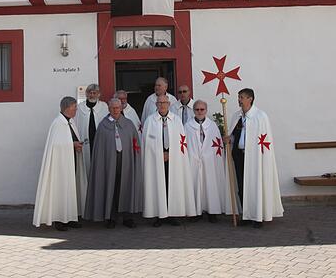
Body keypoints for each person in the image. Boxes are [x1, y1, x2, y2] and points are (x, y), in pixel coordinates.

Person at [224, 88, 284, 228]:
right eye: (239, 97)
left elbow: (264, 139)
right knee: (241, 185)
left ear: (250, 98)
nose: (239, 100)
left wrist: (262, 157)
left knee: (255, 185)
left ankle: (257, 216)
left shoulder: (260, 116)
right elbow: (234, 135)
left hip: (255, 158)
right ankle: (246, 215)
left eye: (242, 97)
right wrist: (229, 139)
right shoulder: (237, 117)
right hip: (239, 156)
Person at [84, 98, 142, 228]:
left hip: (126, 160)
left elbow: (135, 143)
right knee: (111, 186)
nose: (115, 110)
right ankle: (111, 217)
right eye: (113, 108)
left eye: (117, 107)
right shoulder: (103, 125)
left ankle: (128, 216)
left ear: (121, 108)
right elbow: (99, 148)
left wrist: (135, 159)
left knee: (127, 186)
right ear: (109, 109)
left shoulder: (128, 124)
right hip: (108, 162)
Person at [33, 96, 87, 231]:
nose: (76, 110)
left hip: (71, 159)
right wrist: (72, 144)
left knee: (71, 189)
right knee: (61, 189)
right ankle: (60, 220)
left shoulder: (70, 122)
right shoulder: (58, 123)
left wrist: (77, 144)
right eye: (75, 107)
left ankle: (70, 217)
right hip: (61, 164)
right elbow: (56, 145)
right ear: (68, 108)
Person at [142, 94, 196, 226]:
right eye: (159, 103)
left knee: (172, 184)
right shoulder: (150, 120)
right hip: (155, 160)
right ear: (156, 105)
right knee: (158, 185)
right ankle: (160, 215)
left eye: (164, 103)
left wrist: (170, 154)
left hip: (174, 160)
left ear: (169, 104)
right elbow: (147, 142)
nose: (162, 105)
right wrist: (159, 153)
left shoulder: (176, 120)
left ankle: (172, 214)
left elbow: (181, 141)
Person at [185, 100, 235, 222]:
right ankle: (196, 212)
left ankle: (212, 211)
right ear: (193, 111)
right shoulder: (187, 126)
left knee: (210, 185)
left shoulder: (212, 126)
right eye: (197, 109)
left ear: (206, 110)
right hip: (194, 160)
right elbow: (185, 143)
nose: (199, 112)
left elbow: (217, 145)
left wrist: (211, 157)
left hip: (209, 161)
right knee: (195, 184)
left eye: (202, 109)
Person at [74, 83, 109, 177]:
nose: (92, 95)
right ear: (86, 94)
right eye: (90, 92)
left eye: (95, 93)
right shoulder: (80, 108)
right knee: (86, 166)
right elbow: (76, 125)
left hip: (100, 141)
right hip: (85, 141)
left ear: (99, 94)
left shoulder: (104, 107)